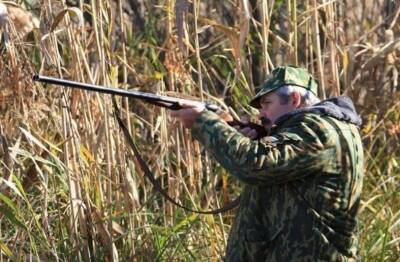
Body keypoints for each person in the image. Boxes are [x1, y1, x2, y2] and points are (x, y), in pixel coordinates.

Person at [170, 65, 364, 261]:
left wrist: (205, 122)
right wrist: (250, 138)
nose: (262, 114)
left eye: (267, 104)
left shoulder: (318, 129)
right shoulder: (325, 128)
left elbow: (255, 163)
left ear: (295, 99)